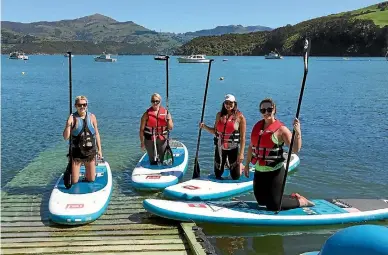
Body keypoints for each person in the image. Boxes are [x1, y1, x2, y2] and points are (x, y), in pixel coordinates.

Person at [244, 98, 314, 211]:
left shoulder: (281, 130)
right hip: (259, 170)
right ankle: (288, 196)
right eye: (263, 110)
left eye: (269, 109)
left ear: (274, 109)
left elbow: (295, 149)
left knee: (274, 206)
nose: (266, 112)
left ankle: (300, 201)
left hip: (275, 172)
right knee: (261, 202)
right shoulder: (257, 127)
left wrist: (298, 132)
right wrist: (247, 164)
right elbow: (251, 147)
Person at [199, 94, 246, 180]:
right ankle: (226, 164)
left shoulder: (240, 117)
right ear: (224, 104)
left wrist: (241, 153)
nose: (228, 105)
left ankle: (240, 167)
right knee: (218, 175)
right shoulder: (219, 115)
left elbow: (243, 138)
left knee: (235, 177)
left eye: (230, 103)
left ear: (234, 103)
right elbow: (214, 131)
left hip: (233, 148)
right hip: (220, 148)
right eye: (226, 103)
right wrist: (204, 127)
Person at [63, 95, 103, 184]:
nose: (82, 107)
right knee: (74, 181)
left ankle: (88, 173)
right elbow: (66, 137)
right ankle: (71, 172)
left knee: (91, 179)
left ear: (87, 105)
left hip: (90, 153)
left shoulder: (92, 117)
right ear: (75, 106)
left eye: (84, 105)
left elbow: (96, 134)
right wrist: (68, 124)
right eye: (80, 105)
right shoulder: (72, 118)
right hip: (77, 154)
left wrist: (100, 150)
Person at [139, 93, 173, 165]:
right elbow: (141, 130)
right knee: (152, 159)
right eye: (153, 101)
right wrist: (142, 142)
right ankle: (153, 169)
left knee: (163, 158)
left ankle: (163, 172)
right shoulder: (146, 114)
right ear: (151, 102)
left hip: (162, 139)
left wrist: (169, 119)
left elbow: (170, 127)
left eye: (157, 101)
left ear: (160, 101)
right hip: (149, 139)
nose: (155, 103)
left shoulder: (166, 113)